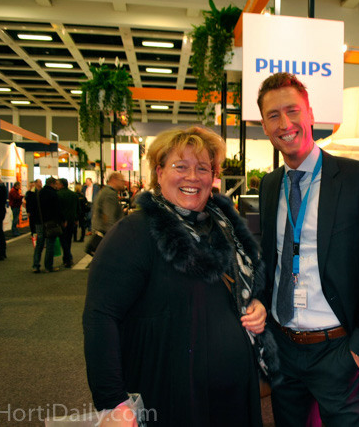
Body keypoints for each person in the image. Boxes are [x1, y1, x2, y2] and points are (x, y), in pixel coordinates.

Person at [83, 126, 277, 426]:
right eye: (180, 166)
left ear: (213, 177)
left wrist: (258, 306)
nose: (192, 177)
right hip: (171, 398)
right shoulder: (135, 232)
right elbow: (100, 316)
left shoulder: (224, 228)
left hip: (233, 397)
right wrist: (113, 402)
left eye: (203, 168)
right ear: (159, 173)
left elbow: (245, 288)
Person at [257, 72, 359, 426]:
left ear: (311, 114)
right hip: (284, 351)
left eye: (292, 111)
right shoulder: (269, 185)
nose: (285, 124)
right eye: (273, 115)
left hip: (339, 351)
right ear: (264, 126)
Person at [84, 172, 125, 257]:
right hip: (107, 236)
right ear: (114, 180)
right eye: (122, 181)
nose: (124, 183)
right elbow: (109, 218)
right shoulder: (110, 194)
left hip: (102, 233)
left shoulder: (104, 191)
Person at [33, 177, 62, 273]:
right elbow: (57, 209)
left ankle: (36, 265)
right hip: (50, 222)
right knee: (50, 244)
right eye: (56, 184)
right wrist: (59, 221)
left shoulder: (38, 193)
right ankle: (48, 266)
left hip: (39, 221)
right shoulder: (54, 194)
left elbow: (34, 208)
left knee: (39, 244)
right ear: (52, 184)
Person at [56, 178, 78, 268]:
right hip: (72, 219)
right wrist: (76, 219)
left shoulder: (58, 195)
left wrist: (62, 219)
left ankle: (68, 258)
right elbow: (77, 207)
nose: (56, 186)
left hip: (62, 221)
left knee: (63, 240)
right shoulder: (73, 194)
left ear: (61, 185)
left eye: (57, 184)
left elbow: (59, 209)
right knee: (68, 239)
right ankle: (67, 259)